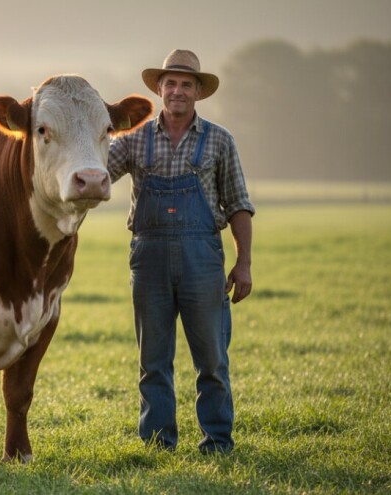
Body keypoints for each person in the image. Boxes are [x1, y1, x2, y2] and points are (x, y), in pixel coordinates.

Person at [107, 49, 255, 454]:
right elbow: (96, 175)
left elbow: (239, 204)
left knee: (212, 360)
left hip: (202, 259)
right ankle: (158, 443)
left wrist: (243, 264)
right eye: (170, 83)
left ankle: (218, 441)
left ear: (198, 92)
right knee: (152, 360)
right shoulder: (134, 139)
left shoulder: (220, 140)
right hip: (149, 258)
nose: (177, 91)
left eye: (186, 84)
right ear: (159, 88)